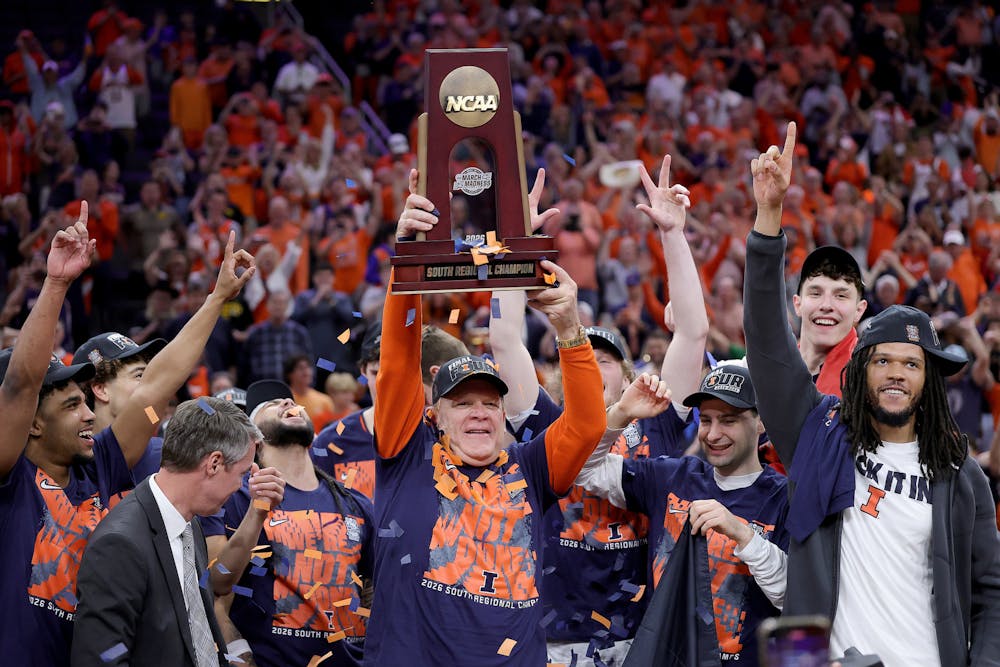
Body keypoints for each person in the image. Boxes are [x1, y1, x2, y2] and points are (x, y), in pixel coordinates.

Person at [743, 121, 1000, 665]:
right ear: (861, 371)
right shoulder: (820, 433)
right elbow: (767, 343)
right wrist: (769, 220)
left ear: (929, 380)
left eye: (911, 364)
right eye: (881, 360)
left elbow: (989, 594)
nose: (895, 374)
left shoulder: (961, 474)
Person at [363, 169, 606, 665]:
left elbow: (587, 426)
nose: (479, 413)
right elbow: (397, 367)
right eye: (462, 402)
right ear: (435, 415)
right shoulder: (406, 454)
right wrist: (406, 263)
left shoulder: (531, 468)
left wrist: (569, 328)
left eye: (490, 403)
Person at [489, 160, 709, 664]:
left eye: (604, 360)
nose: (592, 368)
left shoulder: (655, 414)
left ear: (629, 376)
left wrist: (673, 235)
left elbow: (693, 333)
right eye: (582, 358)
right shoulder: (545, 423)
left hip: (642, 634)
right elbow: (503, 338)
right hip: (554, 635)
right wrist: (514, 242)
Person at [577, 365, 789, 664]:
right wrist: (621, 412)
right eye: (705, 420)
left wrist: (742, 534)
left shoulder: (783, 498)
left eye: (729, 421)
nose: (713, 434)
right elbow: (582, 468)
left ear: (761, 422)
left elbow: (791, 596)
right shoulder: (673, 476)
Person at [72, 397, 261, 667]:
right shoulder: (119, 544)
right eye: (242, 473)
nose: (240, 486)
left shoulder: (189, 523)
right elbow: (98, 661)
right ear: (215, 463)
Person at [202, 379, 373, 667]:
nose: (288, 403)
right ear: (253, 438)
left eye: (292, 402)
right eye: (271, 405)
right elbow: (217, 582)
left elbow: (373, 588)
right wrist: (258, 511)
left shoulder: (355, 502)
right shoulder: (235, 496)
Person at [73, 231, 256, 483]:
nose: (151, 379)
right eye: (140, 375)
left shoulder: (166, 453)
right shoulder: (67, 461)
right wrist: (218, 298)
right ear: (101, 389)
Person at [0, 206, 95, 666]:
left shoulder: (99, 469)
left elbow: (152, 396)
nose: (90, 415)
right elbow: (21, 385)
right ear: (32, 422)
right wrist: (56, 285)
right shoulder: (10, 476)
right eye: (71, 404)